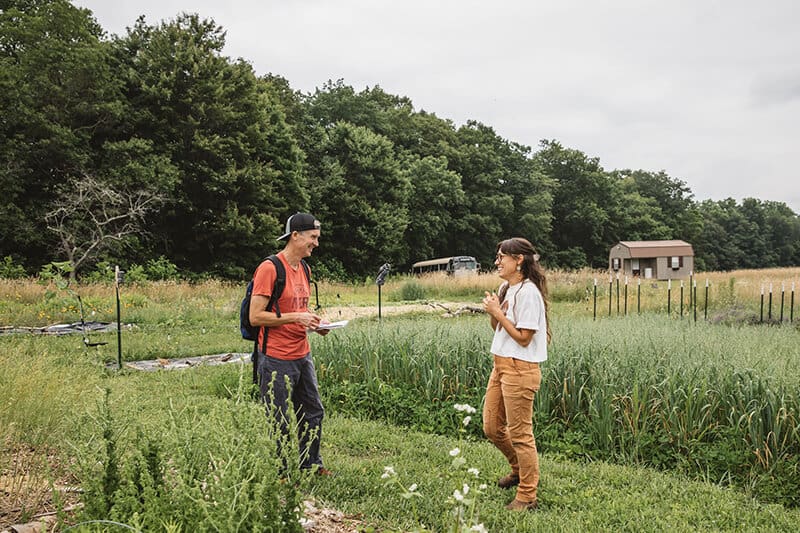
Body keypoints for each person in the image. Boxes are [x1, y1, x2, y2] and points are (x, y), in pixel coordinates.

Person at [249, 212, 332, 476]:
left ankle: (311, 464)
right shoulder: (270, 268)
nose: (316, 244)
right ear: (295, 235)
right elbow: (255, 316)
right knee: (280, 418)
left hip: (302, 353)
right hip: (275, 356)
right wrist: (297, 317)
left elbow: (299, 309)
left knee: (313, 410)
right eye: (313, 238)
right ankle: (281, 472)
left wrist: (315, 325)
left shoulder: (305, 269)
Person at [481, 237, 551, 511]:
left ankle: (527, 495)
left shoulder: (530, 292)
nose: (497, 262)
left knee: (521, 434)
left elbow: (523, 338)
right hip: (500, 366)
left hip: (520, 369)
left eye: (502, 257)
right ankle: (518, 469)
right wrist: (494, 310)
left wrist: (499, 313)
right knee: (491, 427)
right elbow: (497, 329)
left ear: (518, 260)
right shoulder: (506, 287)